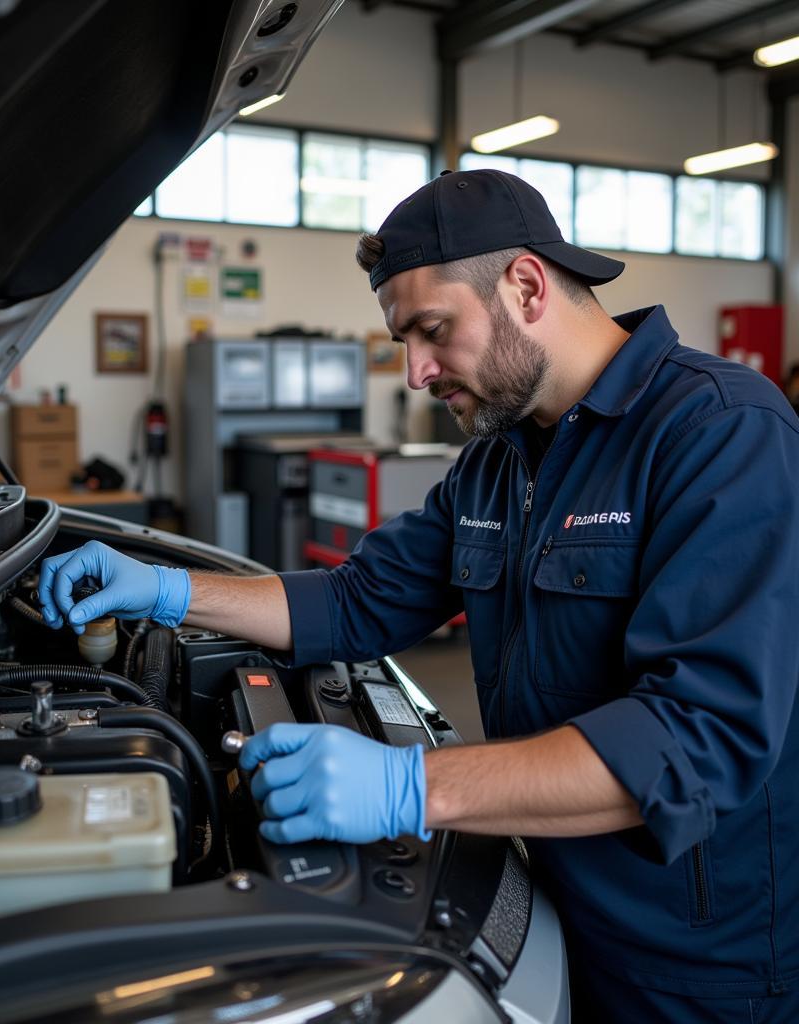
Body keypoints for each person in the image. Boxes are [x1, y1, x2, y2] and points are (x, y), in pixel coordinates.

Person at [39, 170, 799, 1023]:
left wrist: (409, 786)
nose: (414, 372)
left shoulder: (721, 433)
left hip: (694, 962)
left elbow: (695, 742)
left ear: (525, 285)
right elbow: (358, 602)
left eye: (431, 331)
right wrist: (169, 592)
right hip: (548, 900)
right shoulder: (495, 463)